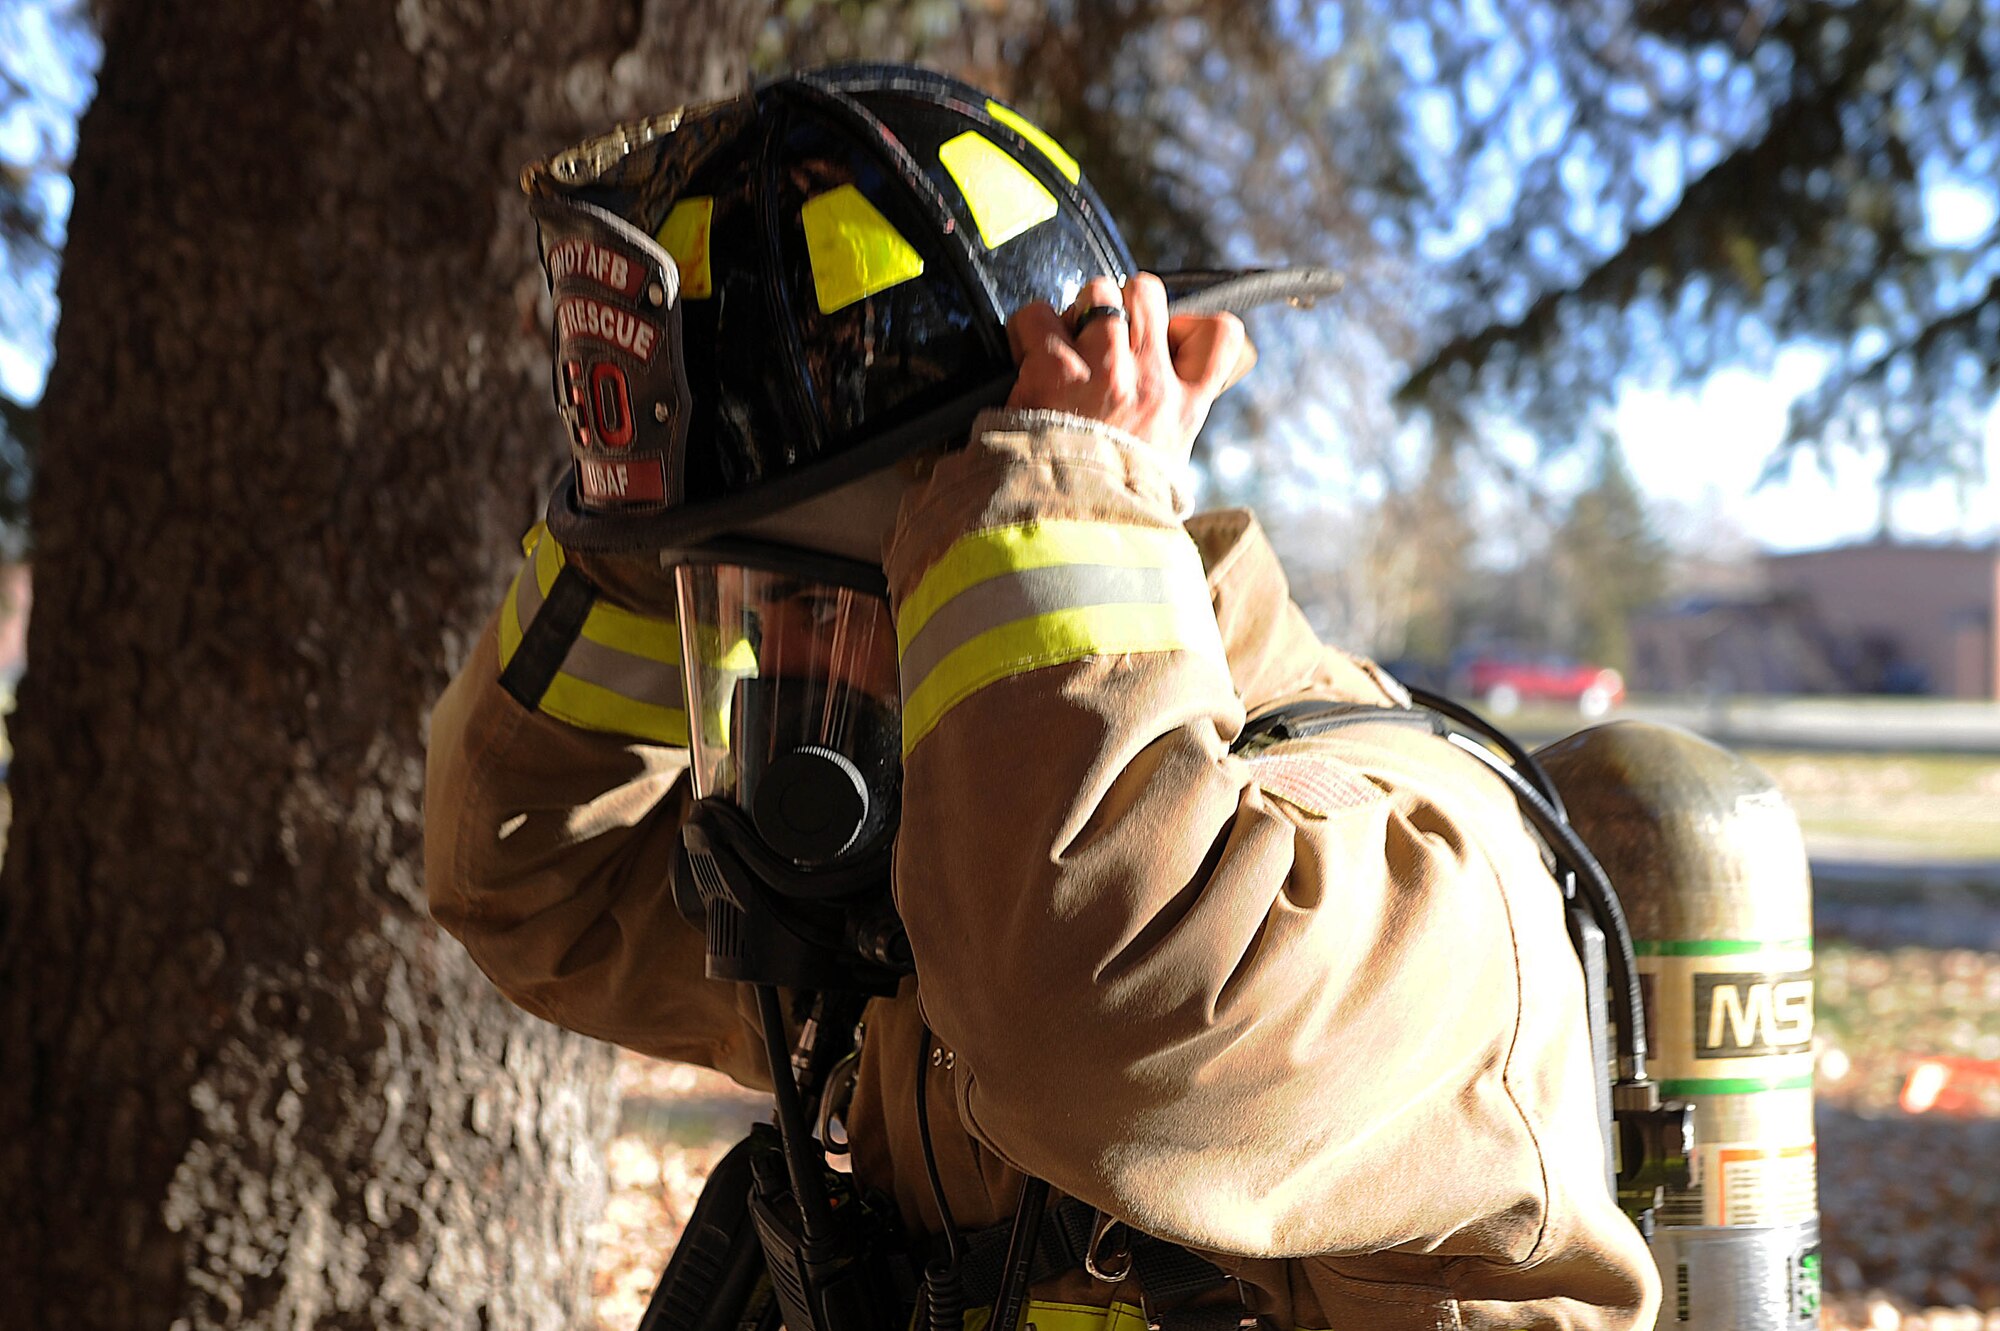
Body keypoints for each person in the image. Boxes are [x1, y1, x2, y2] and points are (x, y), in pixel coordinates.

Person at [424, 65, 1660, 1331]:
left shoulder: (1386, 859)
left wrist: (1060, 504)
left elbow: (1111, 1029)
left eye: (806, 606)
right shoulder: (948, 883)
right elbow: (530, 884)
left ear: (978, 552)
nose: (767, 678)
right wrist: (643, 539)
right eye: (737, 615)